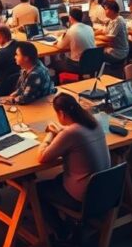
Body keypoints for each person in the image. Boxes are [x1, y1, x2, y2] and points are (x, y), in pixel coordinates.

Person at [36, 93, 111, 236]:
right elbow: (75, 137)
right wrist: (62, 132)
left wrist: (50, 134)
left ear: (62, 113)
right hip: (104, 190)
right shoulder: (94, 122)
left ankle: (62, 232)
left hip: (83, 197)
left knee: (36, 190)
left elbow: (42, 156)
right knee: (57, 179)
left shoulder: (71, 133)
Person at [55, 7, 96, 75]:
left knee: (57, 64)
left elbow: (60, 46)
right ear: (82, 17)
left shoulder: (71, 30)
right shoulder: (90, 28)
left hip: (77, 65)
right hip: (92, 62)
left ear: (70, 18)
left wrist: (59, 38)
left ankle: (62, 84)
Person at [97, 0, 129, 68]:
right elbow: (104, 31)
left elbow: (109, 38)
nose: (104, 11)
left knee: (94, 56)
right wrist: (93, 33)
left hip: (118, 53)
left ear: (112, 10)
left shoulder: (118, 21)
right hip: (114, 49)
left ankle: (100, 75)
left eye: (106, 9)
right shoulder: (112, 20)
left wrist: (95, 37)